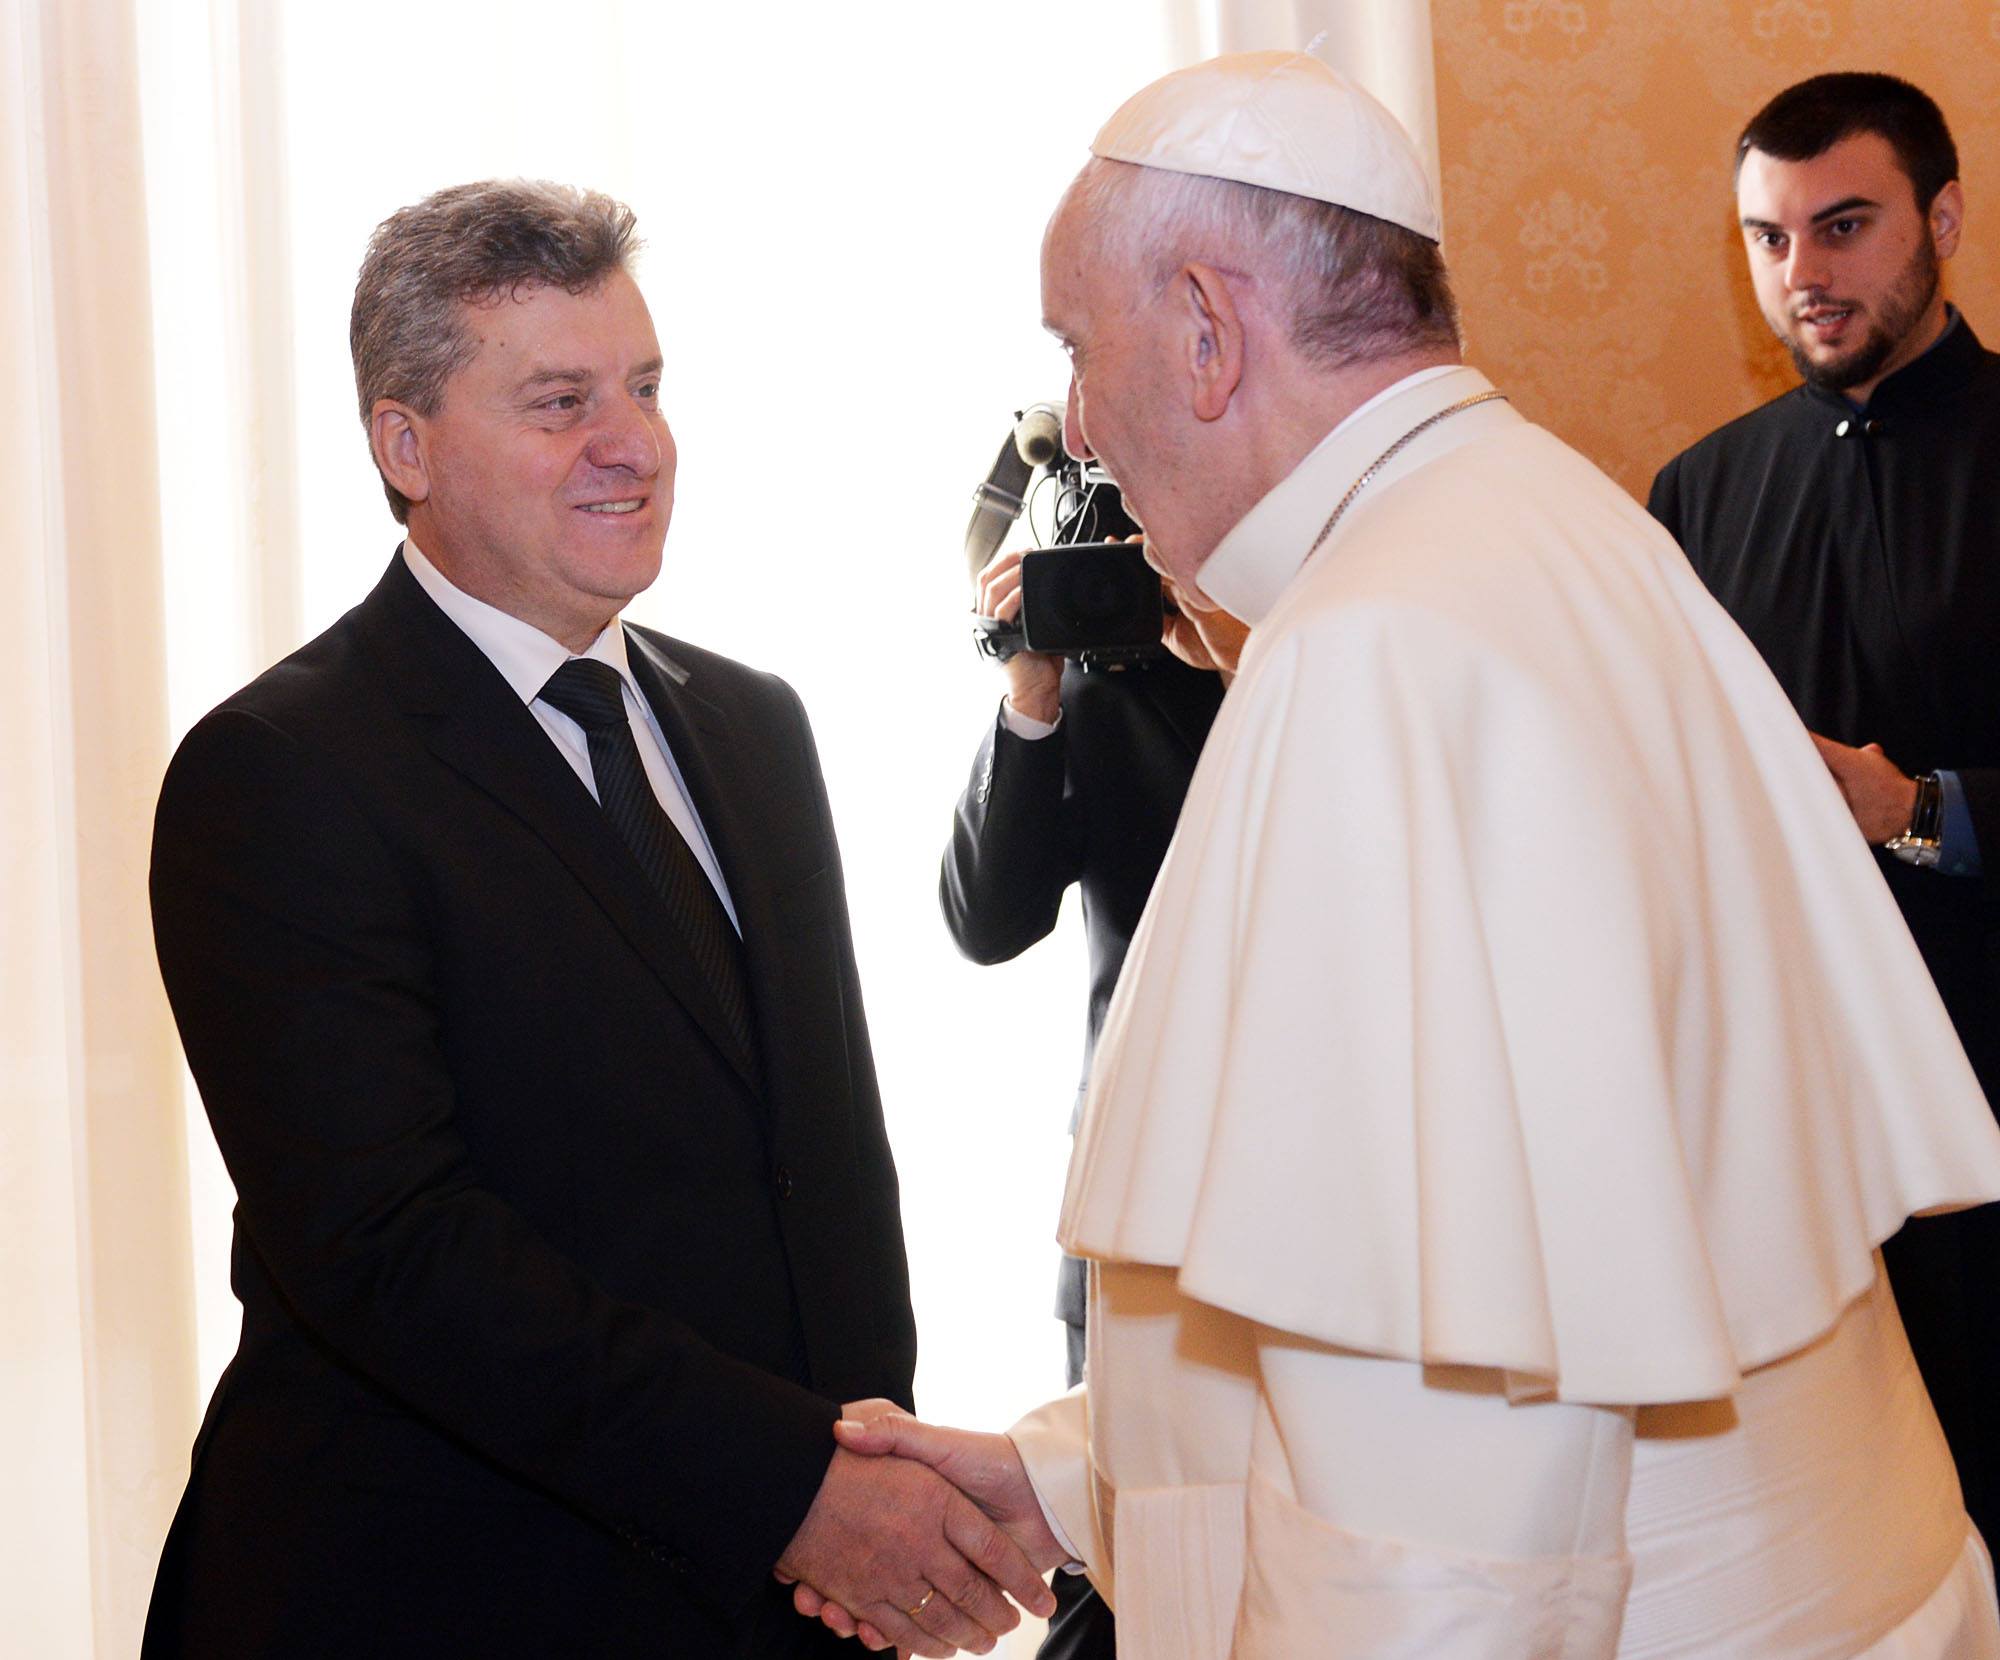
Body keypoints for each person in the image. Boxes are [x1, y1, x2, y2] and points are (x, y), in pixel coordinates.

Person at [796, 53, 2000, 1657]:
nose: (1074, 422)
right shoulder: (1547, 517)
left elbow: (1448, 1530)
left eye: (1079, 349)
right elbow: (1427, 1304)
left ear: (1209, 330)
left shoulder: (1374, 648)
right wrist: (1072, 1477)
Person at [141, 180, 1052, 1660]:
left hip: (772, 1601)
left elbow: (825, 1177)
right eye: (561, 401)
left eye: (644, 387)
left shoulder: (755, 725)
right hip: (434, 1606)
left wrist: (869, 1488)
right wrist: (793, 1493)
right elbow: (395, 1254)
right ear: (404, 446)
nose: (634, 442)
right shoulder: (281, 771)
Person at [1648, 72, 2000, 1547]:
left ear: (1944, 219)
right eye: (1768, 236)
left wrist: (1914, 807)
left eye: (1842, 226)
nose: (1802, 271)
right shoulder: (1694, 496)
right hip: (1791, 1153)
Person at [942, 529, 1241, 1658]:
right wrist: (1029, 692)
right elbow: (987, 917)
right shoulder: (1093, 665)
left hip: (1337, 1195)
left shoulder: (1317, 644)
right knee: (1111, 1575)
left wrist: (1222, 640)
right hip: (1136, 1203)